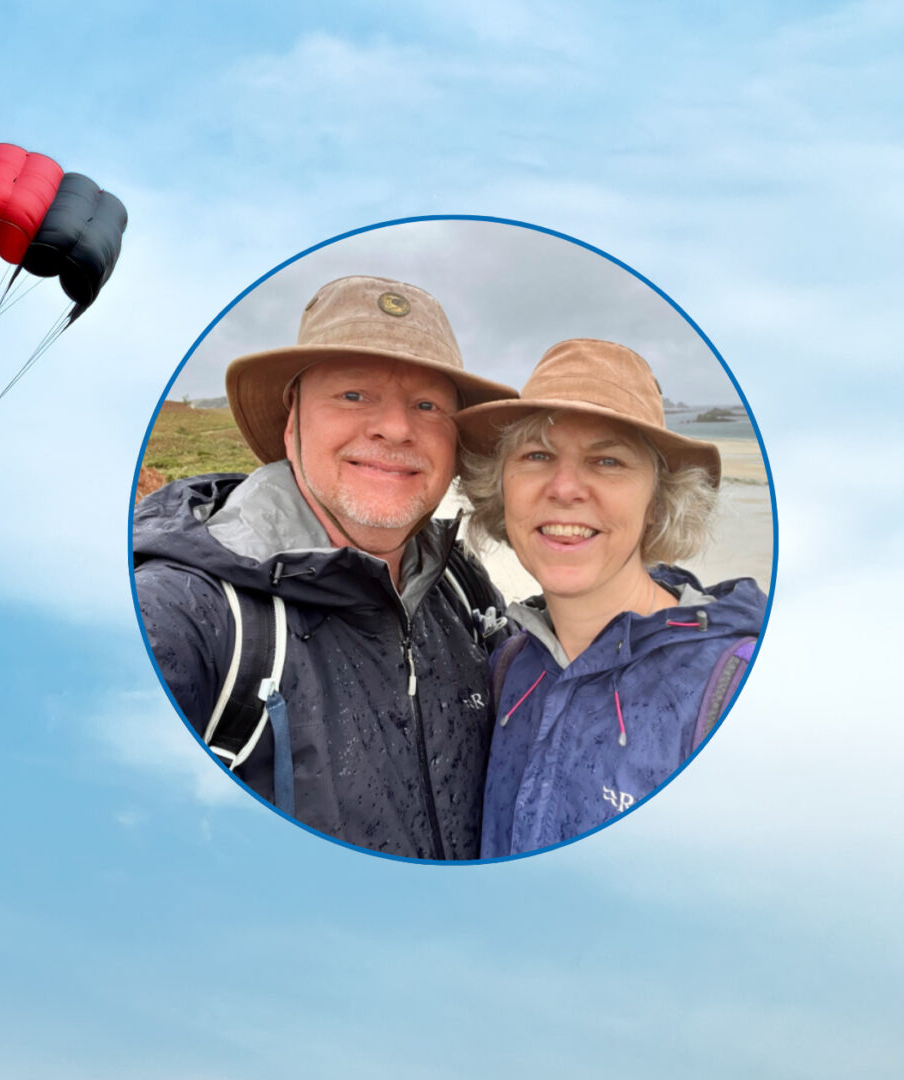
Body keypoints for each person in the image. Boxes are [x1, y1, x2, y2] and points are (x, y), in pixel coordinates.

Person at [133, 275, 519, 860]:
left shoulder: (462, 588)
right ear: (292, 423)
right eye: (353, 395)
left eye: (427, 405)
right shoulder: (185, 615)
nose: (396, 428)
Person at [455, 338, 765, 857]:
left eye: (607, 460)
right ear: (501, 489)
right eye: (537, 456)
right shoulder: (508, 668)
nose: (565, 488)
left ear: (658, 502)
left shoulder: (732, 687)